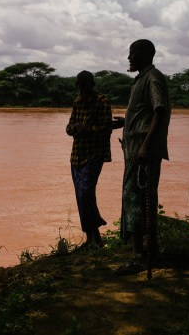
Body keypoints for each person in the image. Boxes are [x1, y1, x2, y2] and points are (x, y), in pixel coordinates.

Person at [112, 40, 171, 275]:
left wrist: (146, 145)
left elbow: (160, 110)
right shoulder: (141, 79)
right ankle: (147, 249)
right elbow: (145, 114)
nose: (129, 58)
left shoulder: (153, 77)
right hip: (134, 149)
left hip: (143, 152)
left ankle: (139, 254)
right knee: (136, 198)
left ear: (145, 54)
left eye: (132, 54)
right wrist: (125, 123)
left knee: (137, 199)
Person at [66, 70, 113, 249]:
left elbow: (106, 129)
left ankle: (96, 236)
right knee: (81, 195)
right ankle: (92, 238)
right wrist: (74, 129)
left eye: (83, 84)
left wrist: (85, 129)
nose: (80, 88)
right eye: (78, 84)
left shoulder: (102, 101)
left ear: (91, 85)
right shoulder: (77, 102)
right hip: (76, 155)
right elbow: (69, 126)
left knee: (85, 192)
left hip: (95, 154)